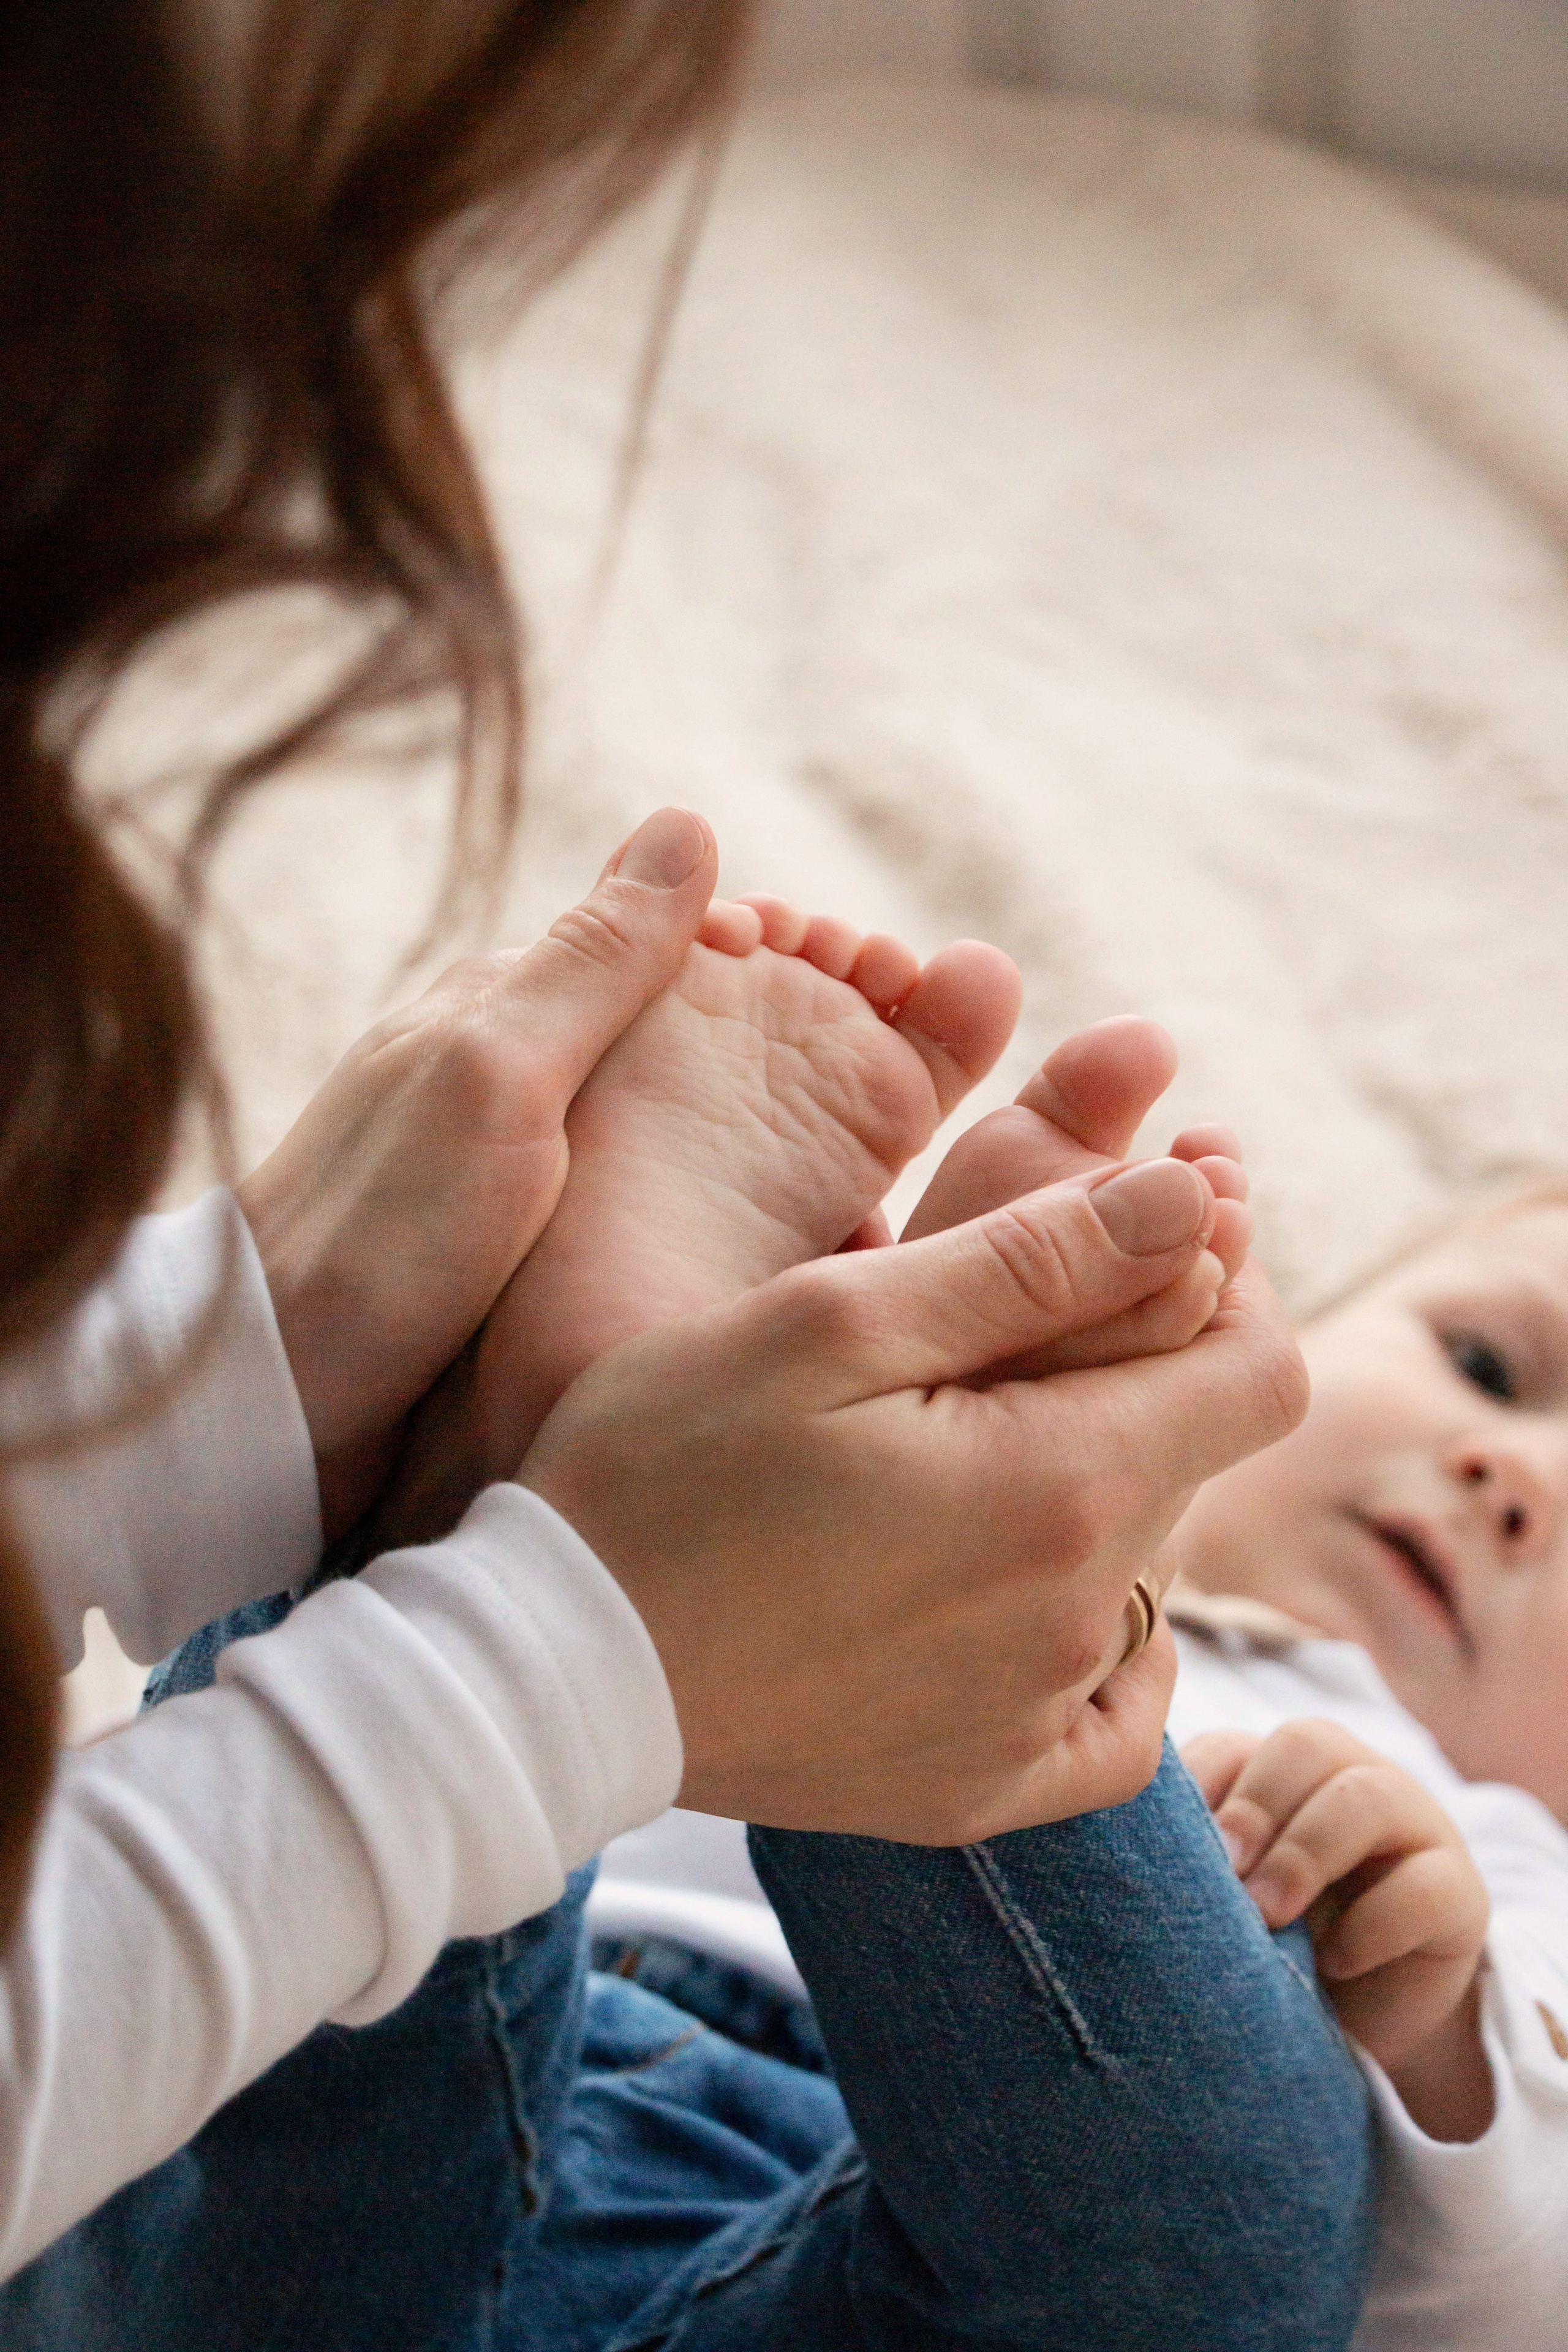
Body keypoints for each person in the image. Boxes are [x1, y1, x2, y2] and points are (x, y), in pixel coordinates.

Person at [0, 2, 1372, 2344]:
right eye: (1489, 1357)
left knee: (1253, 2225)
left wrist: (221, 1372)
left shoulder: (1474, 1815)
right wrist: (563, 1647)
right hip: (462, 2013)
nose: (1525, 1487)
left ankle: (598, 1486)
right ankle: (832, 1528)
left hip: (791, 2185)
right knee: (1219, 2271)